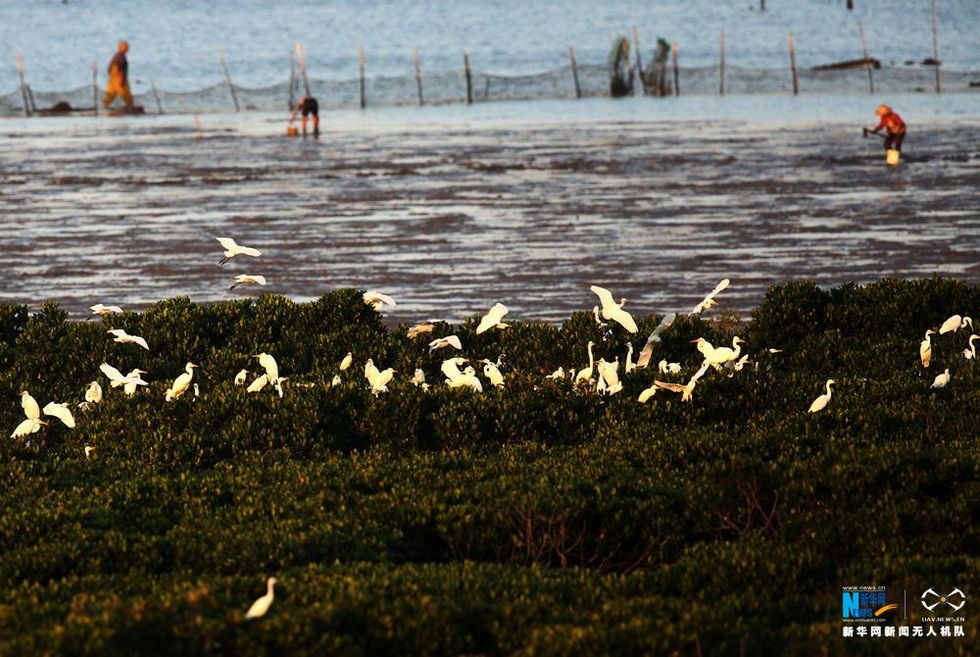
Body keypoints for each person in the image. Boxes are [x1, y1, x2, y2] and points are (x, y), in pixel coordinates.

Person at [102, 40, 133, 110]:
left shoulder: (116, 56)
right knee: (127, 95)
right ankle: (131, 108)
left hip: (112, 79)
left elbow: (109, 69)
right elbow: (118, 69)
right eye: (127, 47)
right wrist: (121, 80)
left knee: (110, 95)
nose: (128, 49)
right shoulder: (121, 57)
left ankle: (103, 108)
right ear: (122, 48)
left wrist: (112, 75)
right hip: (119, 79)